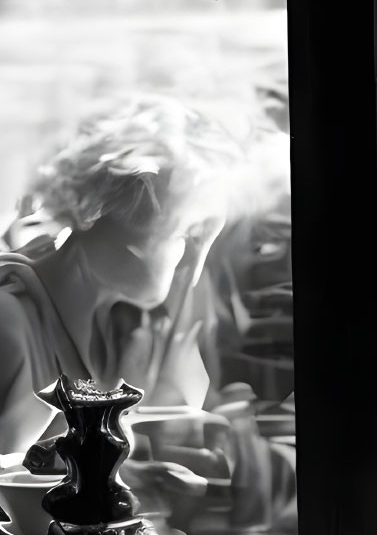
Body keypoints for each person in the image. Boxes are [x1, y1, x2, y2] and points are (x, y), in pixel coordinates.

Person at [0, 97, 236, 456]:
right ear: (93, 207)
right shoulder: (10, 325)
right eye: (183, 232)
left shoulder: (136, 334)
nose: (195, 258)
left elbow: (179, 431)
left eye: (206, 237)